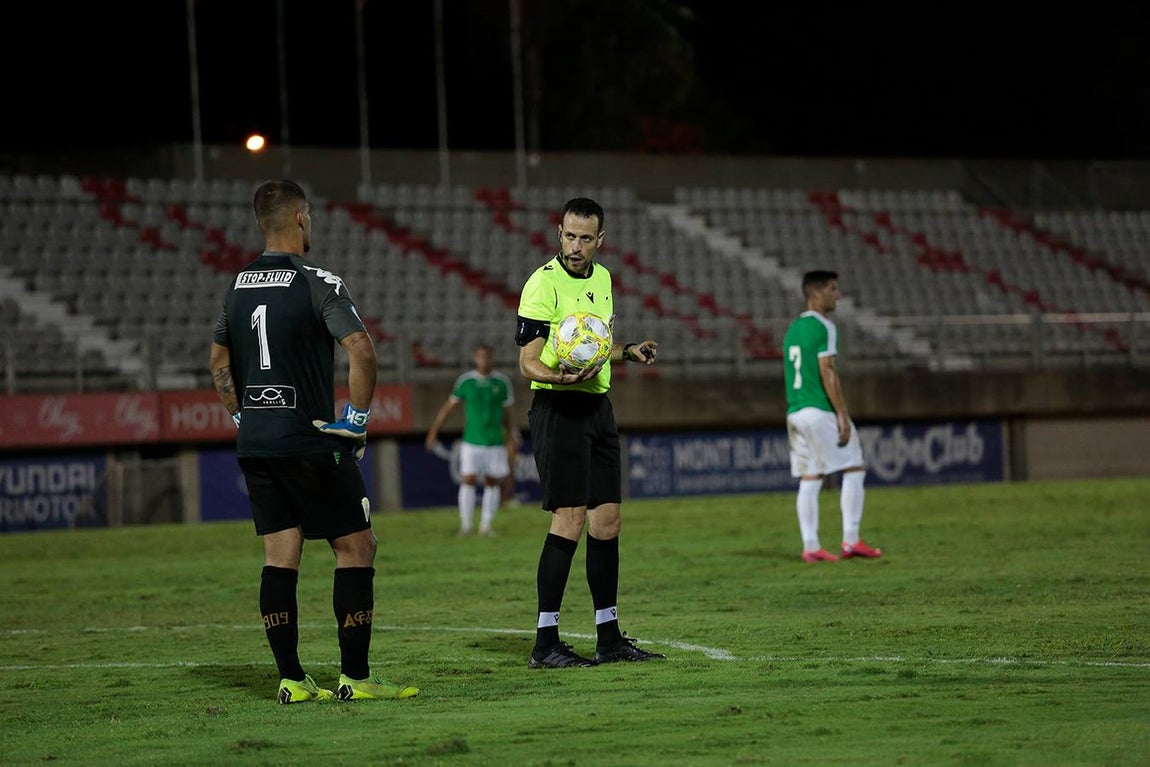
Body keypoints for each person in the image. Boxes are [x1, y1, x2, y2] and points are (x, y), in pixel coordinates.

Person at [208, 178, 419, 704]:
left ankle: (291, 679)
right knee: (356, 547)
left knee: (280, 554)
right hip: (310, 439)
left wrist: (242, 416)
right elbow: (361, 351)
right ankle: (357, 677)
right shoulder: (318, 280)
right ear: (301, 217)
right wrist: (357, 419)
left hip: (256, 440)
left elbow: (218, 362)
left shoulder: (237, 285)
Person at [515, 196, 666, 668]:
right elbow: (528, 360)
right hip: (558, 407)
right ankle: (545, 643)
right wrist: (555, 376)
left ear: (600, 240)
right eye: (569, 235)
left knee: (607, 522)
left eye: (585, 238)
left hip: (597, 407)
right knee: (570, 520)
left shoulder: (603, 280)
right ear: (558, 233)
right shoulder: (541, 284)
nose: (576, 246)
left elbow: (593, 344)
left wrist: (627, 351)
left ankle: (609, 636)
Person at [781, 269, 882, 563]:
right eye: (833, 289)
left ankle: (811, 546)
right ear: (816, 293)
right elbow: (827, 370)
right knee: (854, 467)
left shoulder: (792, 330)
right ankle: (851, 540)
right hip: (818, 409)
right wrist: (841, 412)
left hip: (795, 411)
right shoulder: (824, 326)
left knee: (811, 476)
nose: (838, 294)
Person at [424, 343, 521, 536]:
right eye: (480, 356)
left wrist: (511, 435)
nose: (484, 359)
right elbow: (448, 408)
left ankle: (486, 525)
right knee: (468, 479)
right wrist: (434, 431)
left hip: (495, 440)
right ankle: (466, 525)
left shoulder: (502, 383)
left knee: (492, 482)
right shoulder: (466, 382)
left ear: (492, 359)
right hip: (472, 440)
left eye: (487, 356)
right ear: (475, 358)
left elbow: (508, 413)